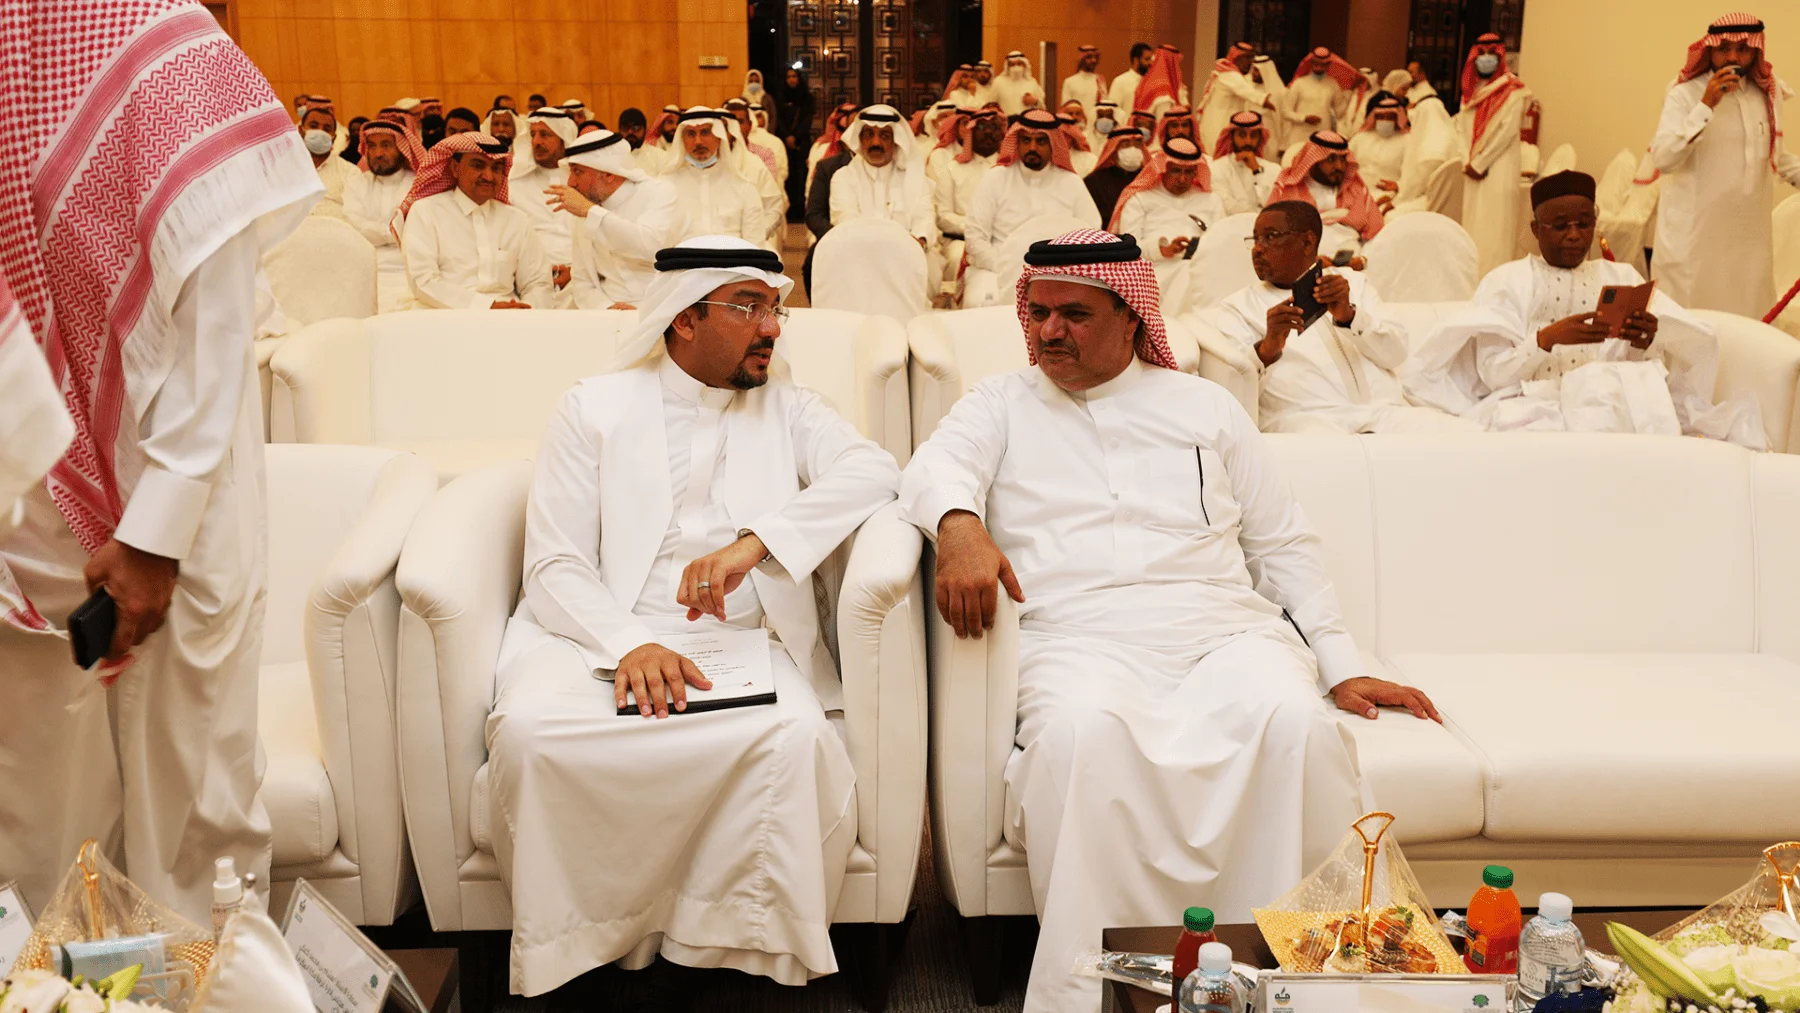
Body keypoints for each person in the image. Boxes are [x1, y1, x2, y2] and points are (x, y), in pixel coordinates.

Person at [900, 227, 1438, 1013]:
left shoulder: (1205, 406)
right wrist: (958, 525)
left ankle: (1325, 988)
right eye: (1039, 312)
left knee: (1298, 725)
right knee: (1081, 736)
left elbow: (1280, 540)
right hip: (1076, 638)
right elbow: (933, 467)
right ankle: (1104, 993)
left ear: (1132, 316)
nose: (1049, 331)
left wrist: (1339, 660)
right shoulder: (1000, 404)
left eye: (1074, 314)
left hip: (1222, 632)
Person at [484, 233, 899, 997]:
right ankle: (581, 945)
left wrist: (758, 542)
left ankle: (738, 944)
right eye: (748, 308)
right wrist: (629, 643)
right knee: (533, 735)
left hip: (745, 641)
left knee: (794, 739)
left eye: (775, 309)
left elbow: (875, 470)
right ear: (683, 317)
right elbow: (554, 565)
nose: (770, 327)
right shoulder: (593, 408)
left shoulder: (790, 408)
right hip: (595, 636)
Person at [0, 0, 323, 922]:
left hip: (173, 495)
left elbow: (212, 330)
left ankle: (204, 983)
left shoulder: (167, 52)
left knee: (188, 813)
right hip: (28, 513)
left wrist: (155, 532)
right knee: (38, 820)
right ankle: (60, 983)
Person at [1404, 171, 1762, 446]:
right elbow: (1493, 375)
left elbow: (1653, 363)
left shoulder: (1621, 275)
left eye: (1584, 223)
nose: (1574, 235)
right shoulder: (1506, 281)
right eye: (1560, 226)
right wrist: (1546, 339)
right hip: (1533, 407)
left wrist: (1644, 340)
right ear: (1536, 229)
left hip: (1612, 403)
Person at [1208, 202, 1472, 433]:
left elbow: (1395, 354)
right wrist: (1267, 348)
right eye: (1256, 239)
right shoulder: (1240, 307)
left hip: (1384, 414)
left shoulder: (1353, 284)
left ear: (1307, 242)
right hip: (1304, 421)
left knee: (1468, 437)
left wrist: (1350, 316)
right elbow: (1229, 391)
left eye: (1270, 237)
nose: (1257, 249)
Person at [1650, 13, 1800, 317]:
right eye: (1724, 49)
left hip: (1749, 245)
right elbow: (1664, 158)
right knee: (1693, 326)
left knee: (1748, 326)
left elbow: (1775, 155)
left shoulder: (1766, 94)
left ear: (1756, 51)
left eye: (1742, 49)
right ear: (1709, 50)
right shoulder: (1683, 94)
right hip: (1695, 245)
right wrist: (1706, 105)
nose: (1732, 57)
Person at [400, 132, 555, 309]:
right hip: (443, 314)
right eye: (478, 166)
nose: (488, 176)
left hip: (508, 317)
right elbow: (423, 281)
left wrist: (526, 311)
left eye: (496, 168)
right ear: (455, 168)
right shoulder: (426, 212)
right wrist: (488, 307)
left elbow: (538, 282)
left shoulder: (517, 220)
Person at [964, 108, 1102, 300]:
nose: (1032, 147)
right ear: (1017, 142)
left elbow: (1092, 233)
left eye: (1041, 141)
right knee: (981, 300)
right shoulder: (996, 178)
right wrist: (1007, 266)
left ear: (1053, 144)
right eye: (1026, 140)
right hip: (997, 267)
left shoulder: (1071, 182)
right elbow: (975, 237)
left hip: (1059, 272)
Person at [547, 130, 683, 310]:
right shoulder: (586, 209)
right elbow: (582, 282)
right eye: (570, 171)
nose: (570, 182)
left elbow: (652, 246)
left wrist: (591, 212)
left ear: (609, 174)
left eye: (578, 172)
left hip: (662, 306)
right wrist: (607, 307)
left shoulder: (659, 192)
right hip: (608, 312)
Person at [1111, 137, 1221, 313]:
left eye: (1189, 172)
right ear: (1163, 168)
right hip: (1154, 273)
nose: (1182, 179)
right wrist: (1162, 250)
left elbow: (1221, 243)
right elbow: (1128, 248)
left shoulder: (1211, 200)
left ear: (1196, 172)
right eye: (1176, 171)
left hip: (1202, 272)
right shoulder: (1140, 199)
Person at [1455, 33, 1532, 274]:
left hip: (1499, 167)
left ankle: (1495, 281)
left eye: (1491, 53)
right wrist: (1467, 161)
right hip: (1471, 170)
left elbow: (1507, 132)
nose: (1486, 59)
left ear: (1500, 57)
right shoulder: (1470, 91)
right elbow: (1460, 130)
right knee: (1473, 226)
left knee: (1496, 229)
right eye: (1481, 54)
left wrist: (1480, 163)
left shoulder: (1514, 90)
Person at [830, 105, 938, 258]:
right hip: (859, 255)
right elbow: (845, 220)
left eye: (885, 136)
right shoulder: (844, 178)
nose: (876, 142)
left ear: (896, 141)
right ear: (859, 139)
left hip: (907, 255)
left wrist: (919, 241)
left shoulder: (915, 178)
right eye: (869, 134)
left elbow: (924, 218)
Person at [343, 119, 426, 313]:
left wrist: (374, 232)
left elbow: (416, 232)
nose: (378, 153)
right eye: (372, 146)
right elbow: (352, 226)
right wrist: (394, 232)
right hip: (362, 268)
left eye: (386, 145)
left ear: (402, 148)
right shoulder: (357, 182)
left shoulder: (418, 184)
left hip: (407, 270)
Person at [665, 109, 775, 248]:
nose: (698, 141)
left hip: (733, 261)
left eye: (705, 132)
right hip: (681, 261)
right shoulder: (665, 186)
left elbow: (754, 244)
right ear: (682, 140)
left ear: (719, 137)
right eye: (691, 134)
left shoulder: (744, 188)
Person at [1267, 131, 1384, 248]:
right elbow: (1270, 231)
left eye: (1343, 159)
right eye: (1331, 160)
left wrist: (1362, 257)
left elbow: (1376, 232)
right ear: (1313, 160)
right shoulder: (1288, 188)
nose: (1339, 166)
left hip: (1352, 253)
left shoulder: (1355, 187)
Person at [1384, 68, 1458, 216]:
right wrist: (1399, 185)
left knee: (1389, 217)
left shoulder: (1430, 152)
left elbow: (1415, 188)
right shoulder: (1451, 142)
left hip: (1428, 205)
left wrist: (1393, 203)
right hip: (1447, 207)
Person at [512, 108, 579, 270]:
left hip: (580, 269)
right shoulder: (514, 182)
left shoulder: (581, 181)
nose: (536, 142)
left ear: (564, 140)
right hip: (532, 270)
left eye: (545, 135)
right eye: (532, 135)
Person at [1197, 42, 1275, 156]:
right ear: (1236, 58)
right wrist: (1263, 100)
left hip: (1220, 122)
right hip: (1219, 124)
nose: (1250, 62)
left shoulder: (1227, 73)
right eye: (1247, 57)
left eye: (1251, 57)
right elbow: (1247, 92)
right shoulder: (1229, 75)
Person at [1211, 110, 1280, 215]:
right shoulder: (1217, 168)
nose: (1248, 141)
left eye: (1253, 135)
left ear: (1260, 138)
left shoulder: (1274, 169)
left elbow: (1272, 205)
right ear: (1231, 137)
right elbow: (1227, 206)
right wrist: (1258, 214)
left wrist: (1256, 171)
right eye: (1242, 135)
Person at [1348, 95, 1408, 210]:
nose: (1384, 121)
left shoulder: (1407, 141)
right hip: (1354, 191)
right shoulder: (1360, 138)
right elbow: (1345, 163)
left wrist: (1399, 185)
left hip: (1386, 195)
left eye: (1389, 117)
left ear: (1397, 118)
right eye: (1380, 117)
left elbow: (1413, 175)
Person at [1284, 47, 1357, 137]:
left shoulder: (1333, 84)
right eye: (1316, 63)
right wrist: (1304, 118)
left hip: (1322, 133)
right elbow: (1286, 112)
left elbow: (1339, 113)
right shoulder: (1299, 83)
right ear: (1311, 63)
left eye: (1323, 64)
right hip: (1299, 134)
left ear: (1328, 65)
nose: (1319, 67)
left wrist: (1349, 93)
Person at [1085, 126, 1148, 227]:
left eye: (1137, 144)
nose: (1132, 149)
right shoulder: (1094, 181)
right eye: (1126, 145)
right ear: (1113, 150)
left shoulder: (1149, 180)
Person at [300, 100, 354, 220]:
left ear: (334, 137)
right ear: (300, 130)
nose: (320, 132)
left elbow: (358, 216)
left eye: (326, 128)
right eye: (313, 126)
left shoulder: (349, 172)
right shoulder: (282, 170)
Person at [777, 69, 817, 215]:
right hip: (784, 142)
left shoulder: (807, 97)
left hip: (802, 142)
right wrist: (786, 136)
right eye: (788, 77)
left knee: (801, 174)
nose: (791, 80)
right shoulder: (780, 96)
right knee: (788, 174)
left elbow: (807, 119)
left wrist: (796, 136)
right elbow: (778, 119)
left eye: (794, 76)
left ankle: (801, 209)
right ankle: (789, 210)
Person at [1133, 44, 1190, 121]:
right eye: (1175, 64)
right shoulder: (1164, 93)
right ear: (1170, 65)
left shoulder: (1146, 84)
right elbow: (1162, 124)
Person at [994, 50, 1048, 116]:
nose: (1016, 67)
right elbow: (990, 106)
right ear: (1007, 67)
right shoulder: (998, 82)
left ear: (1025, 65)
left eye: (1019, 64)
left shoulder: (1031, 82)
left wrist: (1035, 101)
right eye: (1012, 65)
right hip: (1005, 120)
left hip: (1025, 121)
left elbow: (1043, 109)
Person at [1060, 45, 1107, 120]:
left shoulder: (1100, 81)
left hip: (1096, 123)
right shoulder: (1070, 81)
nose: (1093, 60)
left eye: (1095, 57)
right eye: (1089, 57)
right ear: (1081, 59)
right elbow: (1066, 109)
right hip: (1077, 123)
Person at [749, 102, 789, 188]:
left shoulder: (776, 141)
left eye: (758, 116)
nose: (755, 120)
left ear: (765, 118)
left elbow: (784, 170)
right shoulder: (743, 141)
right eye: (752, 117)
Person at [1108, 42, 1155, 110]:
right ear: (1136, 60)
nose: (1151, 63)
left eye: (1151, 59)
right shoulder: (1120, 82)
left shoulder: (1152, 82)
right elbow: (1113, 110)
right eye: (1147, 59)